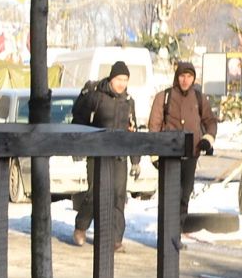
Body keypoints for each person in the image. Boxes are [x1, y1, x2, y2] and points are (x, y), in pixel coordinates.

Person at [70, 60, 138, 249]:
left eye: (125, 79)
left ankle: (115, 238)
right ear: (111, 78)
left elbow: (133, 130)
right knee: (95, 193)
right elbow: (79, 121)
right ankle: (81, 227)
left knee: (118, 196)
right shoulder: (96, 97)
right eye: (119, 79)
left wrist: (135, 160)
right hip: (96, 153)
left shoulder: (128, 101)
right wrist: (78, 147)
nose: (122, 83)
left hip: (119, 155)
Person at [147, 59, 218, 226]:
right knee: (169, 197)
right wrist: (154, 155)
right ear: (176, 77)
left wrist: (207, 139)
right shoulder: (164, 97)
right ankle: (166, 236)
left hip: (191, 155)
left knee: (185, 196)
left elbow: (211, 121)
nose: (185, 80)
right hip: (168, 156)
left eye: (189, 76)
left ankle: (177, 235)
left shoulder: (199, 98)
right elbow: (154, 127)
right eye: (182, 76)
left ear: (193, 79)